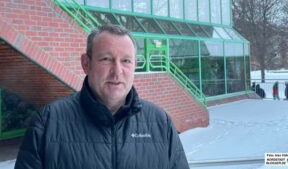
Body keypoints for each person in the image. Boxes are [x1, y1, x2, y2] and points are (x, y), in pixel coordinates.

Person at [14, 24, 189, 169]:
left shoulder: (160, 123)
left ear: (135, 65)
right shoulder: (47, 122)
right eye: (106, 59)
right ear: (86, 64)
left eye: (126, 61)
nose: (117, 71)